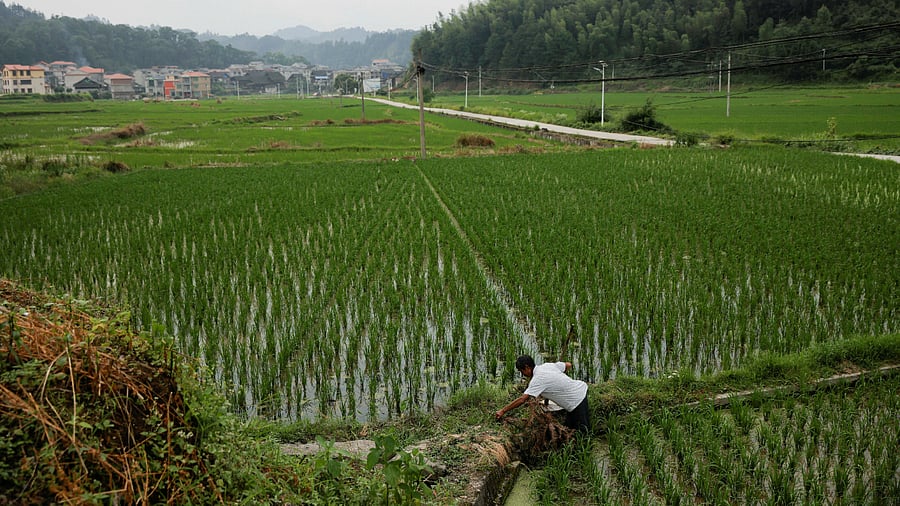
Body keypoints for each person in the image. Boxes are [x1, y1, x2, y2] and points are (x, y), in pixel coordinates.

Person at [495, 354, 590, 433]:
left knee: (582, 432)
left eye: (522, 371)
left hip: (576, 400)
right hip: (579, 390)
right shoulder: (547, 366)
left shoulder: (537, 380)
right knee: (568, 427)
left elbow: (522, 399)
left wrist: (503, 411)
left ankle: (585, 451)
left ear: (527, 367)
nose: (522, 374)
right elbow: (568, 365)